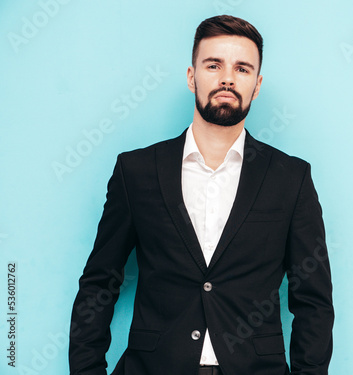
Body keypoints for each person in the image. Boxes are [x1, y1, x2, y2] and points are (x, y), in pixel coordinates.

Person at [69, 14, 334, 375]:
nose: (227, 77)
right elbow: (100, 282)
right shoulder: (137, 171)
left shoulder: (291, 177)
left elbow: (313, 302)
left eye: (242, 68)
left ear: (256, 85)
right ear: (192, 77)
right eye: (214, 65)